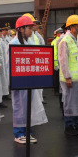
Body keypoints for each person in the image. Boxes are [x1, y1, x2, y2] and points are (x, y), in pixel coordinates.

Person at [9, 15, 48, 143]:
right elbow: (9, 65)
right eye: (29, 28)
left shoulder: (30, 43)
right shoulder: (13, 44)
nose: (32, 31)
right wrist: (12, 82)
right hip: (19, 81)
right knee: (19, 107)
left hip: (30, 79)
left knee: (29, 107)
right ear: (21, 29)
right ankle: (19, 134)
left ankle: (27, 132)